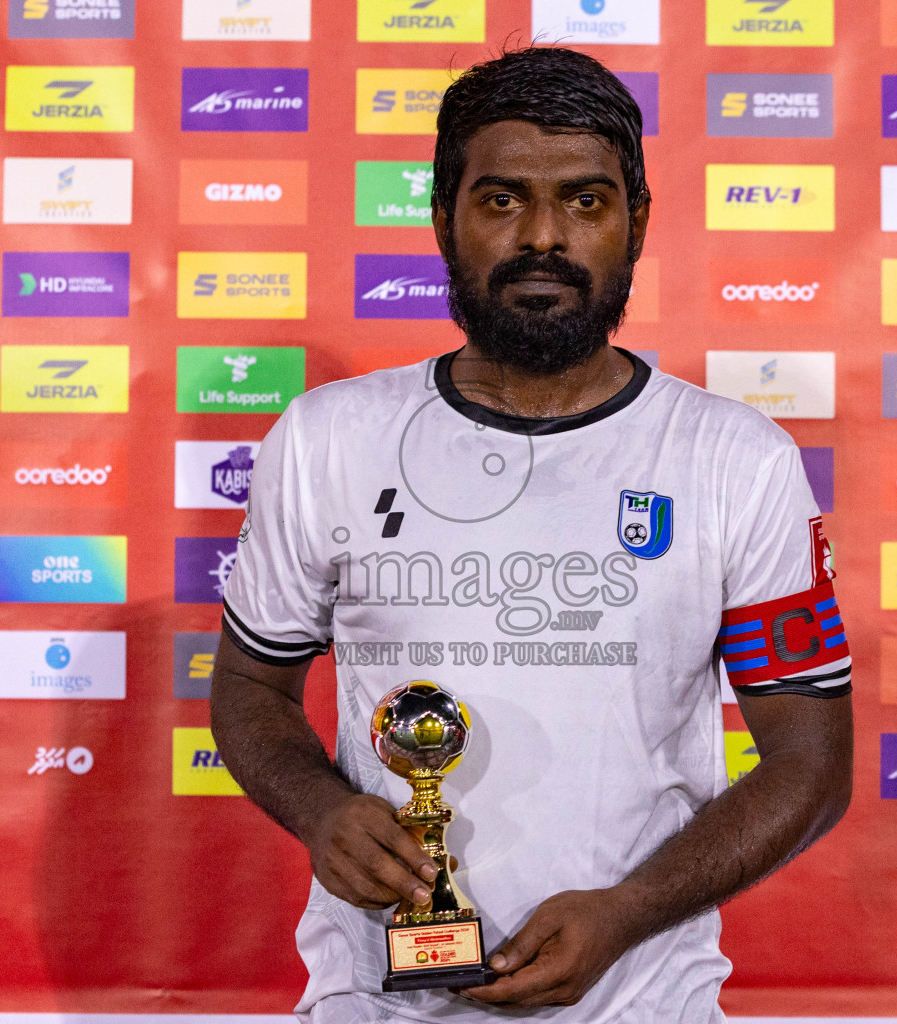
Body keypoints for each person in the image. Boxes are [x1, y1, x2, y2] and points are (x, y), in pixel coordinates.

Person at [210, 46, 854, 1023]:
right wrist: (320, 808)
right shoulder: (327, 436)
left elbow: (811, 759)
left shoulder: (735, 458)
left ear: (635, 221)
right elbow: (250, 684)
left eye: (586, 201)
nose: (543, 235)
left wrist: (629, 910)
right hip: (371, 1003)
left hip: (640, 1003)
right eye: (502, 199)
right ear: (442, 218)